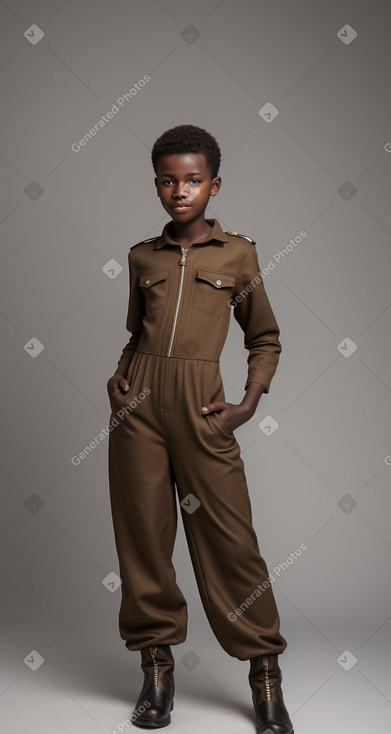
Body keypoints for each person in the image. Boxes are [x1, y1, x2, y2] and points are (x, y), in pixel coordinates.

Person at [106, 124, 294, 734]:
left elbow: (264, 337)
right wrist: (118, 378)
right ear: (156, 184)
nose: (179, 191)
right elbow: (137, 335)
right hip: (139, 412)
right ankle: (156, 674)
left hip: (203, 408)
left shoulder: (238, 255)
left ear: (214, 184)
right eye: (167, 180)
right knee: (143, 541)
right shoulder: (141, 257)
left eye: (192, 180)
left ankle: (266, 680)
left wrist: (248, 402)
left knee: (232, 543)